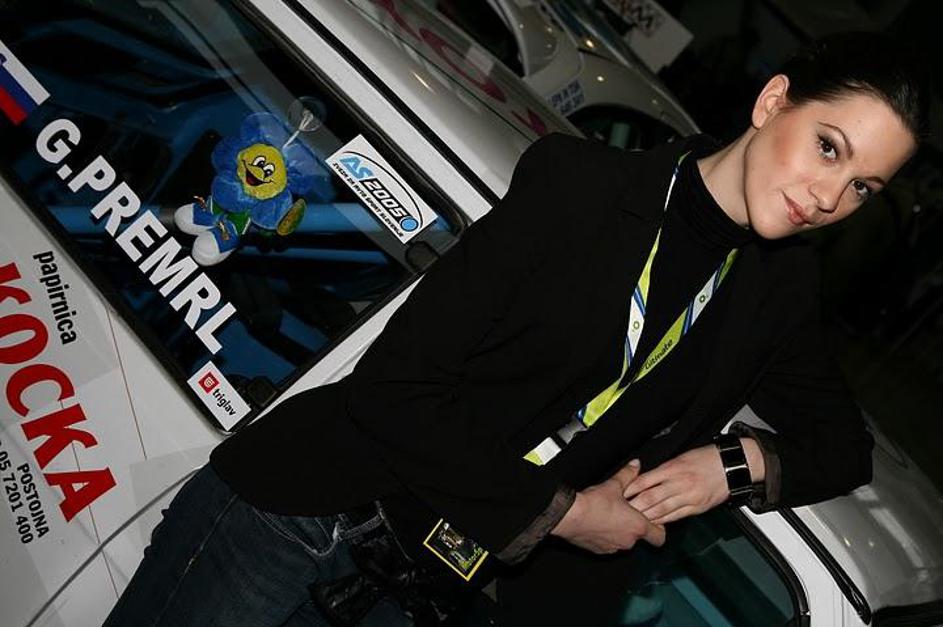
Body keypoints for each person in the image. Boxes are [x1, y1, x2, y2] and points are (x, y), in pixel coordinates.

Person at [104, 31, 929, 626]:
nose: (829, 197)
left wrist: (731, 466)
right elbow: (396, 389)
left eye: (862, 187)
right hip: (304, 515)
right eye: (828, 148)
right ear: (772, 101)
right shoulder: (580, 187)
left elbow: (841, 448)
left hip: (417, 592)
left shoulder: (776, 291)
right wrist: (564, 513)